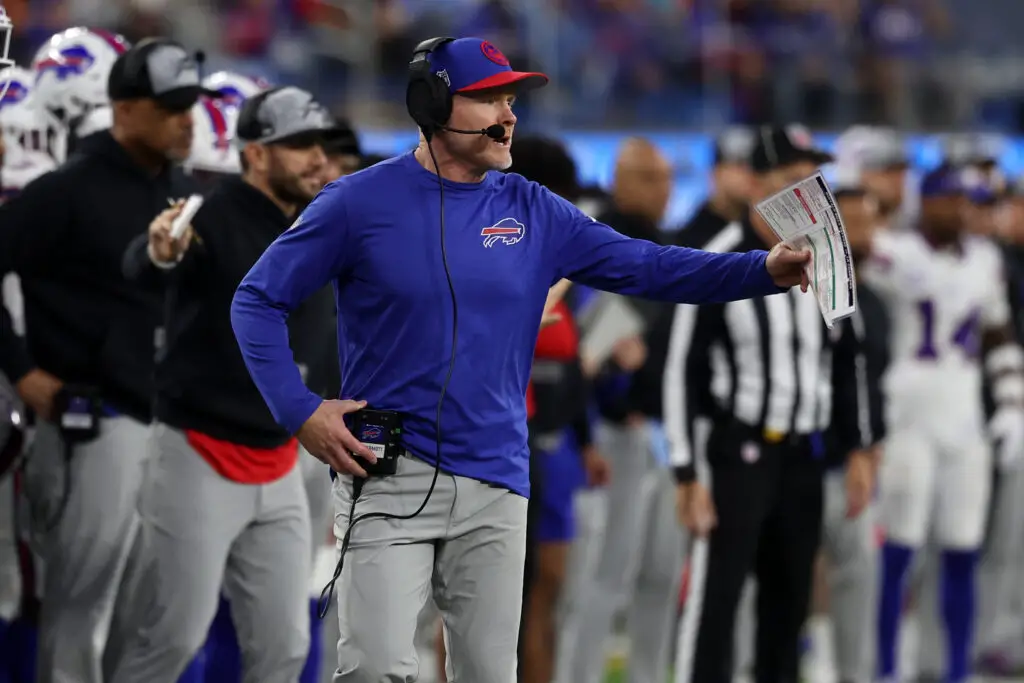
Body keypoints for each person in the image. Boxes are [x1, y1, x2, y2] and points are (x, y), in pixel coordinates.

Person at [229, 37, 811, 683]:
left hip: (497, 482)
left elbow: (652, 265)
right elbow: (255, 299)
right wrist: (301, 411)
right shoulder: (355, 204)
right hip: (387, 475)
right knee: (372, 670)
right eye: (487, 99)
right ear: (432, 103)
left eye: (511, 99)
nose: (508, 115)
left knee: (488, 674)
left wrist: (764, 269)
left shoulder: (533, 208)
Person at [109, 85, 341, 683]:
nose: (317, 157)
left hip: (280, 458)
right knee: (170, 641)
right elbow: (153, 256)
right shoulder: (211, 212)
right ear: (256, 154)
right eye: (298, 145)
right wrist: (161, 251)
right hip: (200, 454)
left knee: (286, 646)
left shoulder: (323, 221)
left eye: (319, 143)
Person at [664, 125, 872, 683]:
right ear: (758, 183)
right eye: (790, 178)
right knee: (717, 603)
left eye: (811, 177)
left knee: (789, 610)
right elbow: (681, 368)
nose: (805, 192)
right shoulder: (717, 258)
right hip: (739, 452)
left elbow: (849, 359)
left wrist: (857, 447)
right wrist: (686, 470)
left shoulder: (827, 260)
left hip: (803, 457)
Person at [864, 165, 1024, 683]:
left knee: (962, 547)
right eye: (954, 199)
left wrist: (1011, 403)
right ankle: (887, 667)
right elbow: (852, 264)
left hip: (964, 419)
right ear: (929, 202)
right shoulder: (898, 251)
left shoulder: (985, 260)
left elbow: (998, 332)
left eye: (970, 201)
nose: (964, 210)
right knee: (899, 550)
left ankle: (957, 671)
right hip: (908, 415)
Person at [557, 136, 688, 683]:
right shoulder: (592, 240)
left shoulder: (659, 241)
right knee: (603, 576)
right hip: (604, 433)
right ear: (625, 180)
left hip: (658, 431)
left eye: (668, 179)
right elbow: (577, 345)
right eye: (655, 179)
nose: (666, 191)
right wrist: (609, 371)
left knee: (658, 573)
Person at [803, 169, 889, 683]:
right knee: (782, 575)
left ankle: (855, 674)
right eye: (848, 220)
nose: (858, 231)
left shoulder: (874, 301)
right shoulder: (799, 288)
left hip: (848, 463)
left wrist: (871, 444)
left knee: (858, 574)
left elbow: (871, 381)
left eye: (865, 221)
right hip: (798, 456)